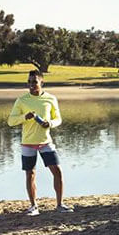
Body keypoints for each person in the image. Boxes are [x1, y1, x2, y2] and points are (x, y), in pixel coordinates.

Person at [7, 70, 71, 215]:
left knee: (57, 171)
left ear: (42, 82)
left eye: (34, 82)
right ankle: (33, 206)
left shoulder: (51, 99)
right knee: (30, 174)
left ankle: (60, 204)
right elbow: (11, 121)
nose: (31, 85)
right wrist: (25, 116)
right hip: (28, 142)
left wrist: (50, 123)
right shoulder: (22, 100)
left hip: (45, 142)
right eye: (29, 82)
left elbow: (58, 119)